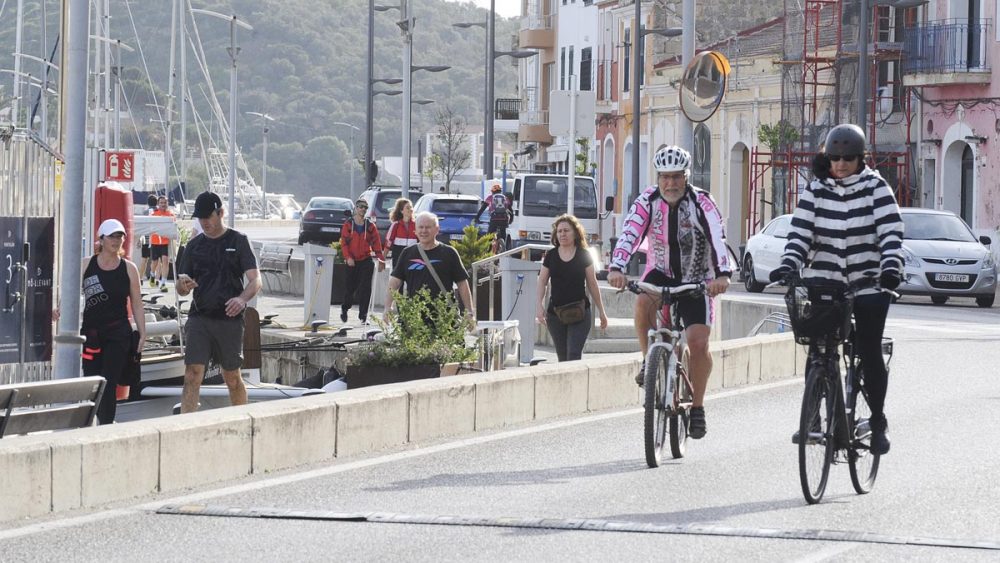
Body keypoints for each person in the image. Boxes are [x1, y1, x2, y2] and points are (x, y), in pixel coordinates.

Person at [769, 123, 903, 455]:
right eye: (835, 158)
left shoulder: (876, 188)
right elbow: (799, 234)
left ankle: (875, 420)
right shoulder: (815, 190)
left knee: (870, 350)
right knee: (818, 349)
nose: (841, 165)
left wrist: (890, 270)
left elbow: (890, 235)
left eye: (848, 158)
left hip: (869, 284)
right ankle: (813, 418)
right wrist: (790, 264)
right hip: (826, 282)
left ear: (861, 158)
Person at [607, 145, 733, 440]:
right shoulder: (647, 200)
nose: (671, 183)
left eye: (677, 177)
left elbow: (717, 236)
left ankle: (698, 407)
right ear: (658, 177)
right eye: (665, 177)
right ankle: (646, 360)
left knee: (698, 342)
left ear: (686, 177)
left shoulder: (701, 202)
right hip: (659, 272)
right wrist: (617, 267)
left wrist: (723, 274)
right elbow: (630, 232)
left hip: (696, 278)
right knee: (641, 302)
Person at [175, 191, 261, 414]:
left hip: (229, 319)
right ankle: (186, 427)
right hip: (199, 317)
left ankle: (241, 420)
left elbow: (255, 279)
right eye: (200, 218)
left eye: (208, 217)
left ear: (220, 213)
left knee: (231, 376)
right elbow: (181, 286)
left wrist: (242, 300)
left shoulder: (238, 241)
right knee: (192, 374)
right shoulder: (193, 246)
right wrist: (182, 286)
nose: (204, 222)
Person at [80, 219, 145, 424]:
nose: (117, 241)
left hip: (118, 333)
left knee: (108, 382)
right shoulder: (87, 264)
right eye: (112, 236)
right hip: (91, 334)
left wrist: (142, 332)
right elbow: (70, 293)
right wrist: (59, 310)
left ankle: (106, 426)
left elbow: (137, 303)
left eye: (120, 236)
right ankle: (94, 423)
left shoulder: (129, 268)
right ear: (101, 239)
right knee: (92, 382)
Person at [535, 214, 609, 361]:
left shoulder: (584, 255)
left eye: (566, 230)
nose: (562, 234)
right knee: (562, 358)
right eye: (560, 231)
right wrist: (539, 306)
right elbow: (542, 281)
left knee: (574, 355)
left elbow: (592, 284)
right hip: (555, 315)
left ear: (575, 233)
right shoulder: (551, 255)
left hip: (580, 313)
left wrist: (602, 311)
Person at [385, 211, 474, 318]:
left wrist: (469, 312)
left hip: (444, 317)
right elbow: (395, 281)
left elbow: (462, 283)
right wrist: (387, 307)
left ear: (437, 229)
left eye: (428, 227)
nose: (424, 231)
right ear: (415, 230)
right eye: (420, 227)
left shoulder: (449, 253)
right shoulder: (407, 253)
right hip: (414, 317)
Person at [339, 197, 385, 324]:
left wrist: (381, 259)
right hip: (352, 261)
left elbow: (376, 244)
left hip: (365, 259)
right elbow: (344, 243)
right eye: (360, 207)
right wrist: (348, 257)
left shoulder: (370, 226)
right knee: (350, 288)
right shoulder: (348, 224)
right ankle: (345, 308)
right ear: (356, 208)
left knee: (365, 288)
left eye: (365, 207)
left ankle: (363, 315)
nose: (363, 209)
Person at [476, 182, 513, 251]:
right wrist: (511, 220)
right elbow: (511, 211)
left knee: (489, 237)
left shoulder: (490, 198)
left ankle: (488, 252)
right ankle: (502, 247)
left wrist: (477, 218)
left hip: (494, 220)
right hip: (504, 220)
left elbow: (482, 209)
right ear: (500, 191)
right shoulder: (505, 198)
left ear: (492, 192)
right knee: (503, 235)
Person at [150, 195, 175, 292]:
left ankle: (163, 283)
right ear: (158, 204)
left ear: (167, 204)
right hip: (155, 242)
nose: (163, 204)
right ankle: (152, 274)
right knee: (154, 263)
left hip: (165, 242)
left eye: (165, 203)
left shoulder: (170, 215)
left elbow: (174, 227)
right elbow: (150, 227)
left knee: (165, 261)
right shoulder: (153, 215)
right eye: (161, 203)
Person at [385, 198, 417, 268]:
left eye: (411, 207)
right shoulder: (395, 225)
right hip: (398, 258)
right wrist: (383, 258)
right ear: (401, 211)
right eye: (407, 208)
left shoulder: (417, 225)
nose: (410, 209)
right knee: (397, 278)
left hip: (413, 257)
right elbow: (388, 242)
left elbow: (421, 242)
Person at [139, 194, 157, 283]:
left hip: (146, 238)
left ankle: (140, 278)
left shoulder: (145, 212)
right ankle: (154, 279)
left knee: (144, 259)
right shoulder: (157, 212)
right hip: (155, 238)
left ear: (148, 202)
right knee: (155, 261)